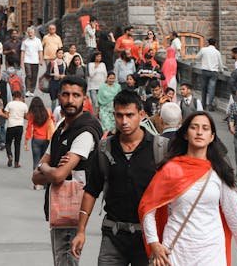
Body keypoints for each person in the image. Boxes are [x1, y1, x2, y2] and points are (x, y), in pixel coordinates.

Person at [139, 112, 237, 266]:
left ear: (212, 136)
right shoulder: (171, 169)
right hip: (176, 252)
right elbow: (148, 208)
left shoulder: (218, 171)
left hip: (212, 252)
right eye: (194, 127)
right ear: (186, 134)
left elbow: (233, 211)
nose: (200, 132)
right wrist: (154, 243)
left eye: (205, 128)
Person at [71, 90, 169, 264]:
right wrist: (81, 231)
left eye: (130, 115)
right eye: (119, 115)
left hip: (149, 238)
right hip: (113, 235)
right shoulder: (104, 149)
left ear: (141, 115)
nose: (124, 121)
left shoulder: (160, 148)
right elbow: (91, 191)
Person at [32, 76, 104, 265]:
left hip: (72, 212)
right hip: (58, 210)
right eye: (66, 94)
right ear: (58, 96)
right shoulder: (61, 129)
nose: (70, 100)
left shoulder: (85, 132)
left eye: (76, 95)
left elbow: (58, 175)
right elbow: (35, 177)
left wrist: (46, 168)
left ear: (84, 99)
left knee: (65, 260)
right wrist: (48, 168)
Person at [25, 96, 55, 182]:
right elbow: (53, 120)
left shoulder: (32, 114)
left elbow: (29, 127)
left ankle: (36, 182)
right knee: (44, 162)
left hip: (36, 140)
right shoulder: (48, 112)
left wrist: (26, 141)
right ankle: (44, 181)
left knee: (36, 161)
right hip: (46, 139)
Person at [195, 38, 223, 111]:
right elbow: (220, 63)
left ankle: (203, 104)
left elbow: (197, 57)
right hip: (214, 72)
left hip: (204, 71)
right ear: (215, 44)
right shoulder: (217, 52)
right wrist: (221, 70)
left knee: (203, 88)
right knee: (211, 89)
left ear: (208, 43)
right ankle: (210, 105)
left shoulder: (204, 50)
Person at [4, 89, 27, 168]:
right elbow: (26, 116)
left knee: (8, 143)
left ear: (13, 96)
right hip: (20, 126)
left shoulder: (10, 104)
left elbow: (6, 115)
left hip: (11, 125)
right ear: (20, 97)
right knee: (17, 144)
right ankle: (16, 163)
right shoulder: (24, 105)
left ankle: (10, 155)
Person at [21, 27, 44, 96]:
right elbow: (23, 52)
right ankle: (27, 90)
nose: (30, 34)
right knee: (28, 75)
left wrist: (41, 60)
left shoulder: (38, 41)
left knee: (34, 76)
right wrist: (21, 62)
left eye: (31, 32)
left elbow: (40, 51)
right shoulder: (25, 42)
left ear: (34, 33)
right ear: (27, 33)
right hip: (27, 60)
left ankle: (32, 90)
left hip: (35, 61)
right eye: (29, 33)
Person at [96, 71, 120, 136]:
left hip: (114, 110)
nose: (112, 80)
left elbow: (120, 99)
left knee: (114, 128)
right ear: (107, 78)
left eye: (113, 78)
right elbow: (98, 99)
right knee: (106, 127)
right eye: (110, 78)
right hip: (104, 110)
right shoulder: (102, 87)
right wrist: (97, 111)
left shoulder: (118, 87)